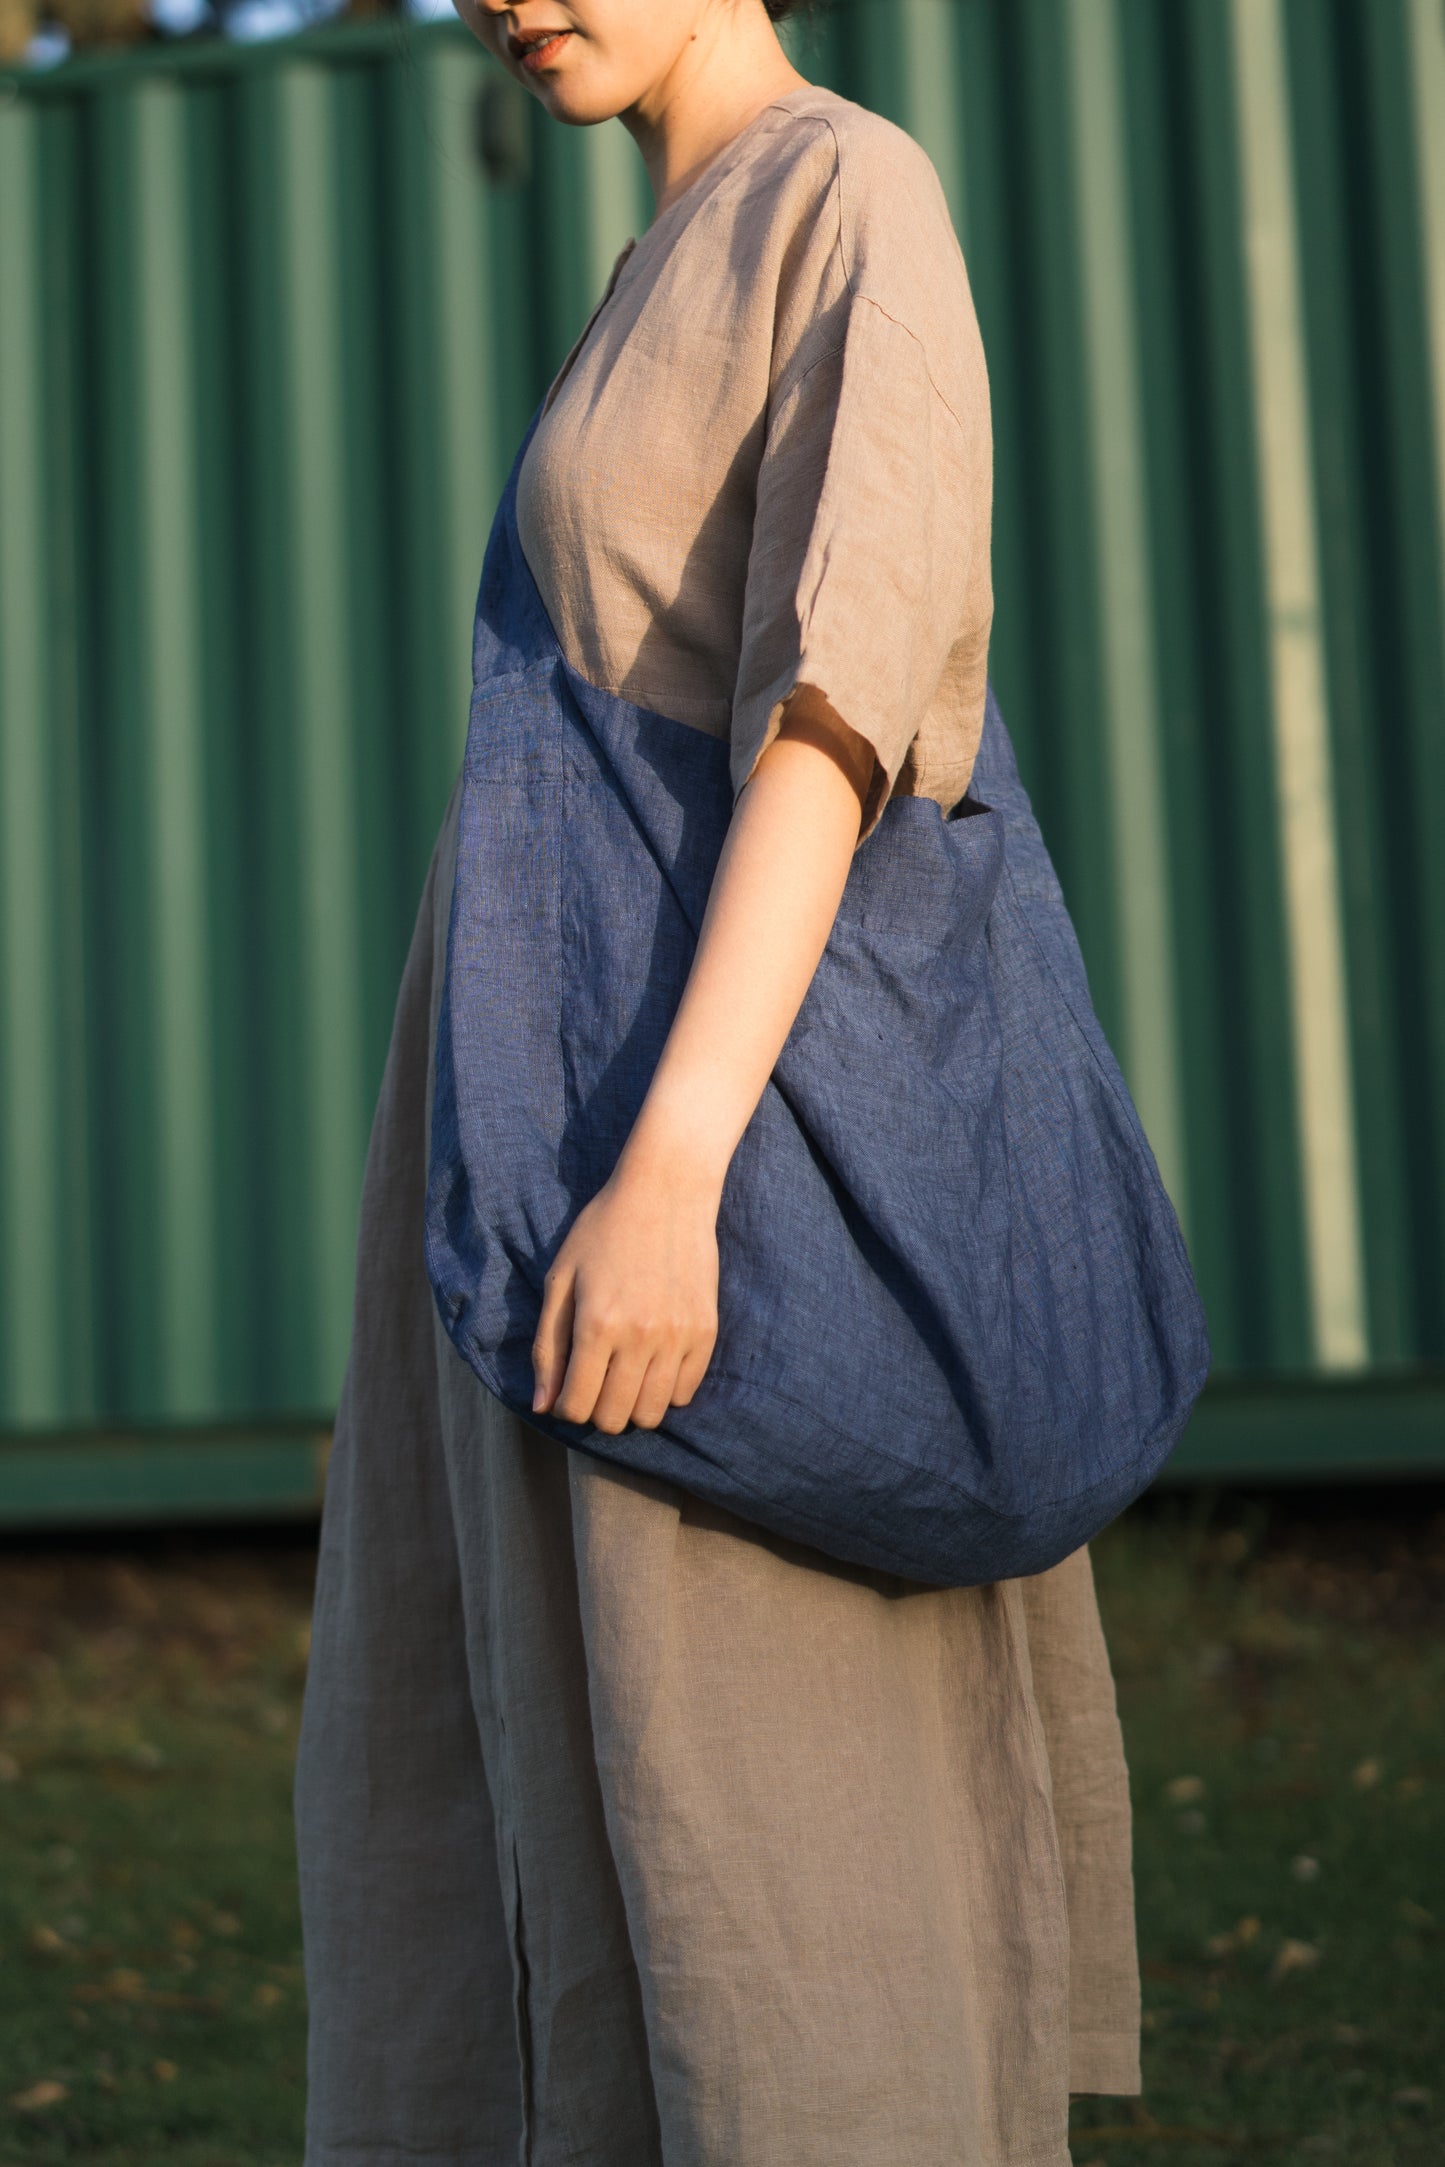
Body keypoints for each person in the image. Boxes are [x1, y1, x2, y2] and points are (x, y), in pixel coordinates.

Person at [294, 3, 1144, 2162]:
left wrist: (673, 1168)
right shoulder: (671, 239)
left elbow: (840, 718)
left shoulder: (844, 190)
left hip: (726, 1174)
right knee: (597, 1830)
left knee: (774, 1821)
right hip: (558, 1126)